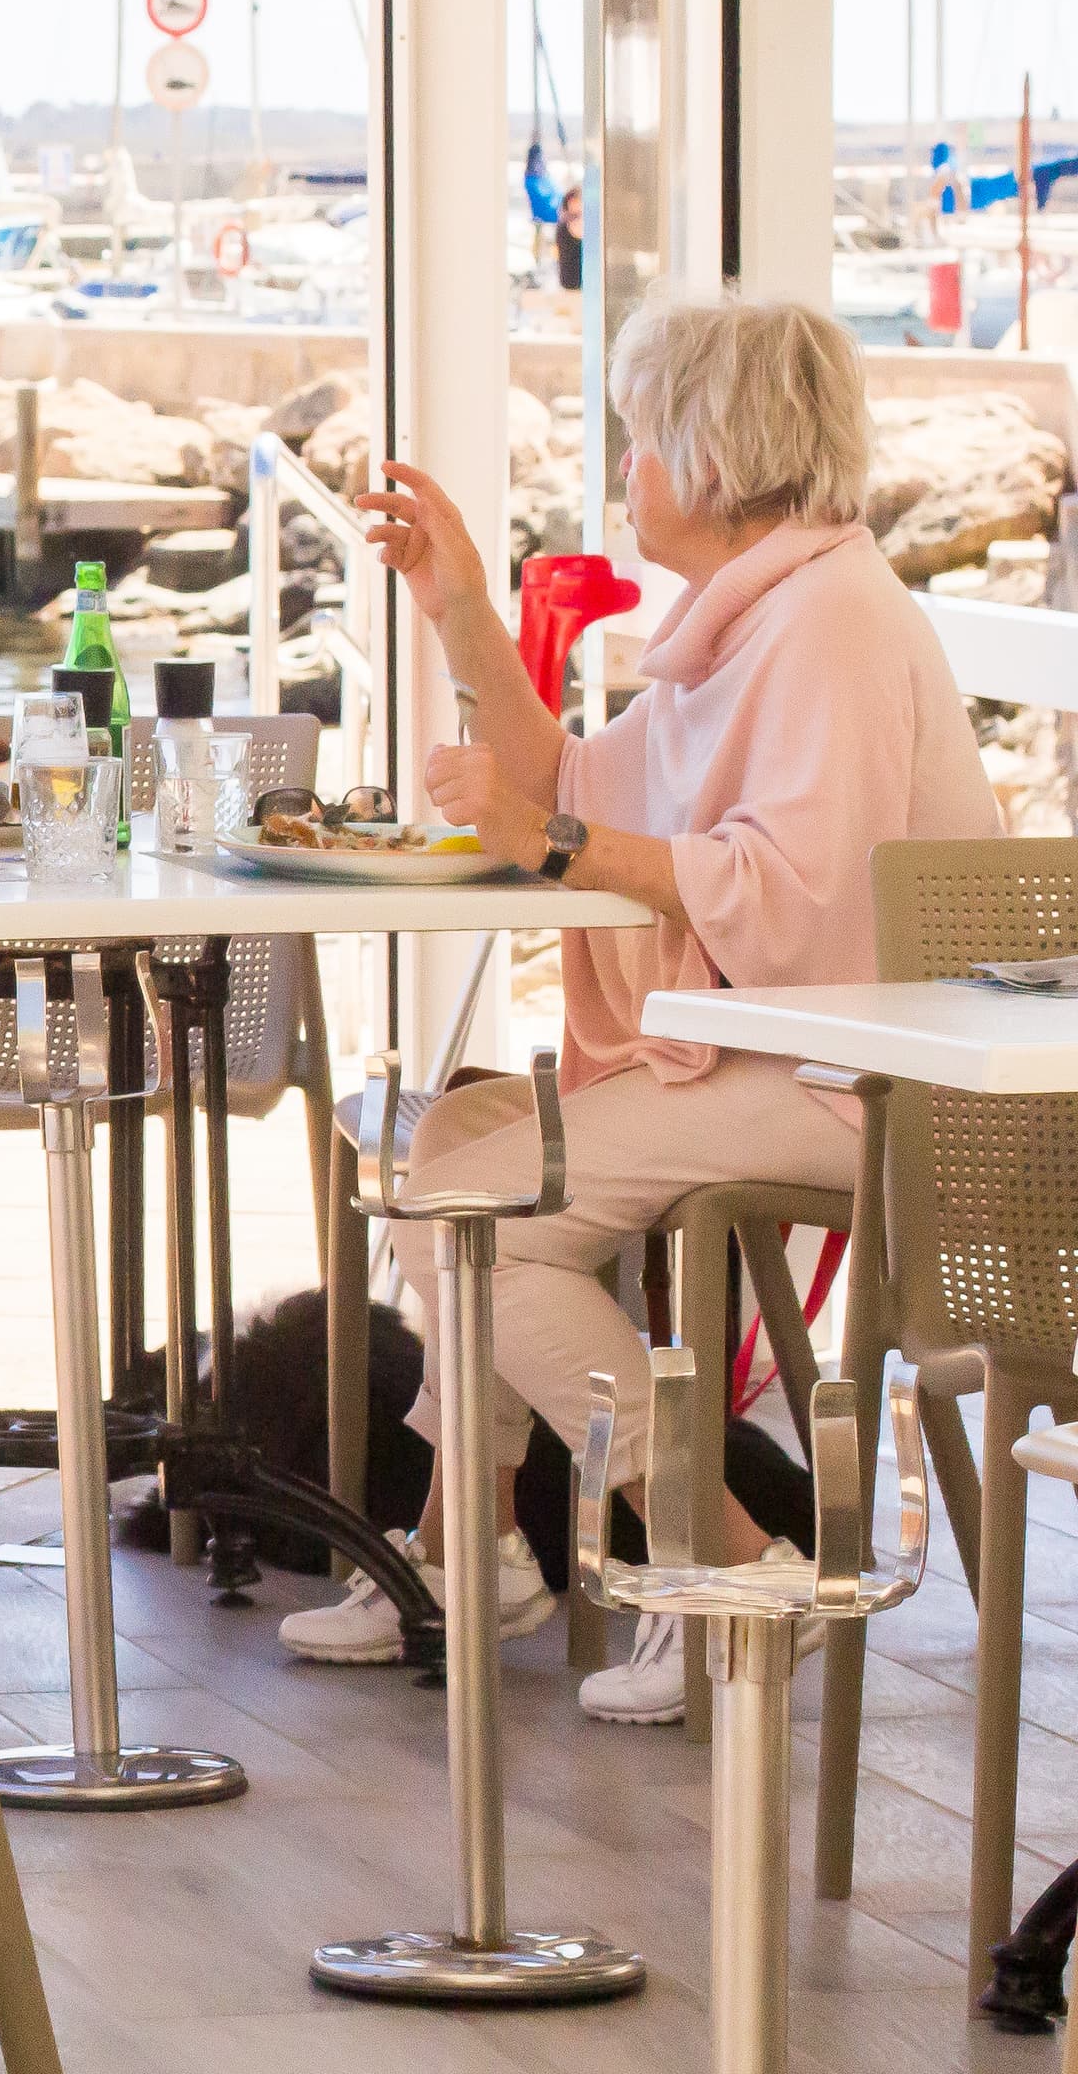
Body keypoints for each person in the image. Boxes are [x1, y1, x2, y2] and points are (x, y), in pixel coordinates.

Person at [277, 292, 995, 1724]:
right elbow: (578, 784)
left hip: (874, 1083)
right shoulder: (763, 617)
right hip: (800, 1053)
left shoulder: (831, 626)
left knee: (462, 1211)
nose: (623, 472)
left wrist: (549, 843)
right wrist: (461, 608)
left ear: (711, 463)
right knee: (461, 1155)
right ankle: (469, 1547)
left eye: (637, 442)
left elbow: (788, 893)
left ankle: (728, 1564)